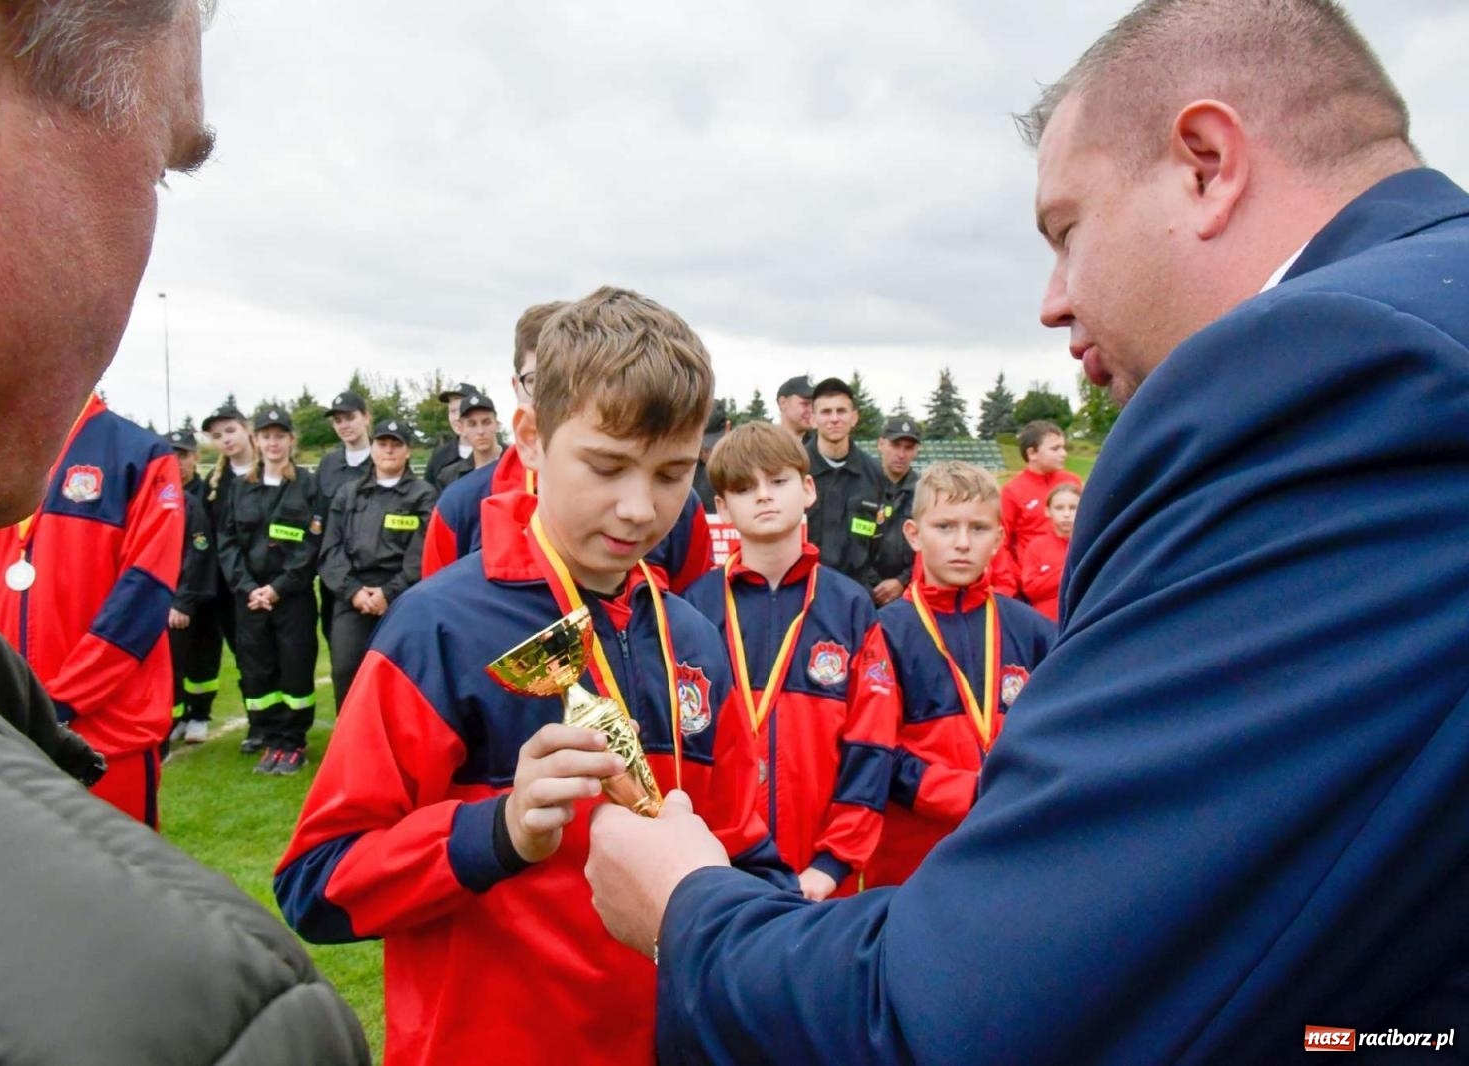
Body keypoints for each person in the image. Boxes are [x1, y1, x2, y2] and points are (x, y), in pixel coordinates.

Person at [584, 1, 1469, 1060]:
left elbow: (975, 1012)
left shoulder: (1326, 366)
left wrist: (691, 910)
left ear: (1204, 162)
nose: (1052, 302)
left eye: (1066, 232)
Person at [0, 1, 367, 1060]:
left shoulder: (137, 453)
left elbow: (149, 581)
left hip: (99, 716)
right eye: (156, 169)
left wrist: (59, 698)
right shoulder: (189, 1016)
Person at [275, 286, 790, 1065]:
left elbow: (746, 847)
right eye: (607, 465)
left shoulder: (692, 635)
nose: (638, 509)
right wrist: (500, 830)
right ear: (530, 438)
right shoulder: (438, 628)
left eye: (672, 473)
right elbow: (317, 885)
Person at [0, 393, 185, 827]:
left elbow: (145, 593)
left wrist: (61, 699)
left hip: (107, 732)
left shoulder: (138, 454)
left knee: (116, 879)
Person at [683, 422, 897, 899]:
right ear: (722, 507)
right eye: (743, 488)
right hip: (719, 866)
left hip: (824, 875)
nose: (763, 497)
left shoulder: (849, 606)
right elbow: (684, 747)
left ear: (807, 490)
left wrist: (833, 861)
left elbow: (872, 741)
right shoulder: (695, 609)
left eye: (777, 482)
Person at [422, 300, 714, 592]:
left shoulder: (679, 507)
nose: (638, 511)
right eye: (537, 381)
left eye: (670, 475)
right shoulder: (461, 504)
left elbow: (697, 603)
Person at [864, 462, 1054, 888]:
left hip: (1014, 846)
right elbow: (876, 754)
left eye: (979, 528)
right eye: (945, 527)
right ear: (914, 535)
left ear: (1000, 539)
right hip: (913, 861)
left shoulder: (1035, 632)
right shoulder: (884, 632)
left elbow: (1061, 735)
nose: (963, 543)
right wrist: (966, 793)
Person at [217, 409, 320, 776]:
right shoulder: (241, 487)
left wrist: (277, 589)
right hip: (250, 599)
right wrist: (249, 588)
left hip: (291, 599)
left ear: (292, 440)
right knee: (258, 671)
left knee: (294, 671)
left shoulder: (308, 486)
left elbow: (311, 543)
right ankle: (270, 736)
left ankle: (293, 742)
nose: (273, 443)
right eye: (266, 436)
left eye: (280, 436)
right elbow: (227, 542)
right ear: (256, 440)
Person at [317, 417, 436, 710]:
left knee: (401, 675)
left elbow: (421, 554)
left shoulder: (423, 495)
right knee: (345, 669)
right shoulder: (348, 493)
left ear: (408, 451)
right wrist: (354, 591)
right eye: (382, 443)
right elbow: (330, 549)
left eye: (397, 444)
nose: (389, 450)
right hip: (352, 596)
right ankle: (351, 746)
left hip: (403, 598)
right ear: (372, 448)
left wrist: (389, 593)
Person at [199, 402, 255, 742]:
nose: (226, 440)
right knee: (243, 655)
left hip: (264, 582)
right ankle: (257, 719)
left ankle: (276, 726)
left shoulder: (271, 474)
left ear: (246, 428)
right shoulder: (213, 483)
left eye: (230, 430)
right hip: (226, 586)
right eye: (218, 436)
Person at [804, 376, 888, 594]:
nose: (834, 419)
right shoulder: (795, 470)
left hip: (856, 593)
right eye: (826, 412)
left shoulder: (874, 474)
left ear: (854, 418)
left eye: (841, 411)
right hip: (804, 590)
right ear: (813, 419)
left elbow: (881, 539)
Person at [165, 428, 220, 743]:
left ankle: (199, 714)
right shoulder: (159, 494)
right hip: (170, 595)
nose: (178, 462)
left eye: (183, 455)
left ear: (195, 457)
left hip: (205, 593)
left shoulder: (207, 492)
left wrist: (186, 599)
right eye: (171, 455)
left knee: (202, 658)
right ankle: (178, 716)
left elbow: (199, 552)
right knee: (173, 660)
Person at [313, 390, 374, 649]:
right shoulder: (328, 465)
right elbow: (318, 520)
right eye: (338, 420)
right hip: (336, 577)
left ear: (366, 417)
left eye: (350, 417)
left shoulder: (383, 459)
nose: (344, 425)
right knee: (339, 648)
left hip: (375, 575)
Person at [1000, 418, 1081, 578]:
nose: (1063, 454)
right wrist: (1019, 577)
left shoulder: (1072, 482)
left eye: (1063, 448)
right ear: (1032, 453)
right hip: (1035, 581)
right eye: (1055, 449)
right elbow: (1002, 543)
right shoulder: (1012, 491)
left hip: (1073, 573)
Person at [867, 414, 921, 607]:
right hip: (864, 589)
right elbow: (850, 541)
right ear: (881, 444)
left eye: (908, 448)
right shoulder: (861, 487)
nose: (901, 454)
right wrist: (872, 583)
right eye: (895, 445)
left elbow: (931, 545)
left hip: (910, 592)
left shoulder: (925, 493)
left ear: (917, 451)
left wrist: (902, 581)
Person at [1019, 482, 1080, 622]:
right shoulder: (1037, 546)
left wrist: (1047, 578)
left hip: (1079, 620)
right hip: (1046, 623)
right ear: (1048, 511)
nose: (1066, 514)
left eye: (1073, 508)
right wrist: (1068, 569)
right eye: (1059, 508)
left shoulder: (1089, 544)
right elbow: (1030, 589)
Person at [435, 389, 502, 487]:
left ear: (497, 425)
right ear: (461, 429)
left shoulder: (519, 463)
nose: (480, 431)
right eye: (472, 424)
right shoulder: (450, 476)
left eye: (486, 422)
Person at [423, 381, 475, 489]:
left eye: (462, 410)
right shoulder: (439, 456)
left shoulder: (500, 453)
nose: (456, 417)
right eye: (453, 411)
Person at [773, 375, 814, 441]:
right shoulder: (764, 445)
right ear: (783, 403)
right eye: (805, 404)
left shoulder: (821, 447)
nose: (811, 410)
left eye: (813, 405)